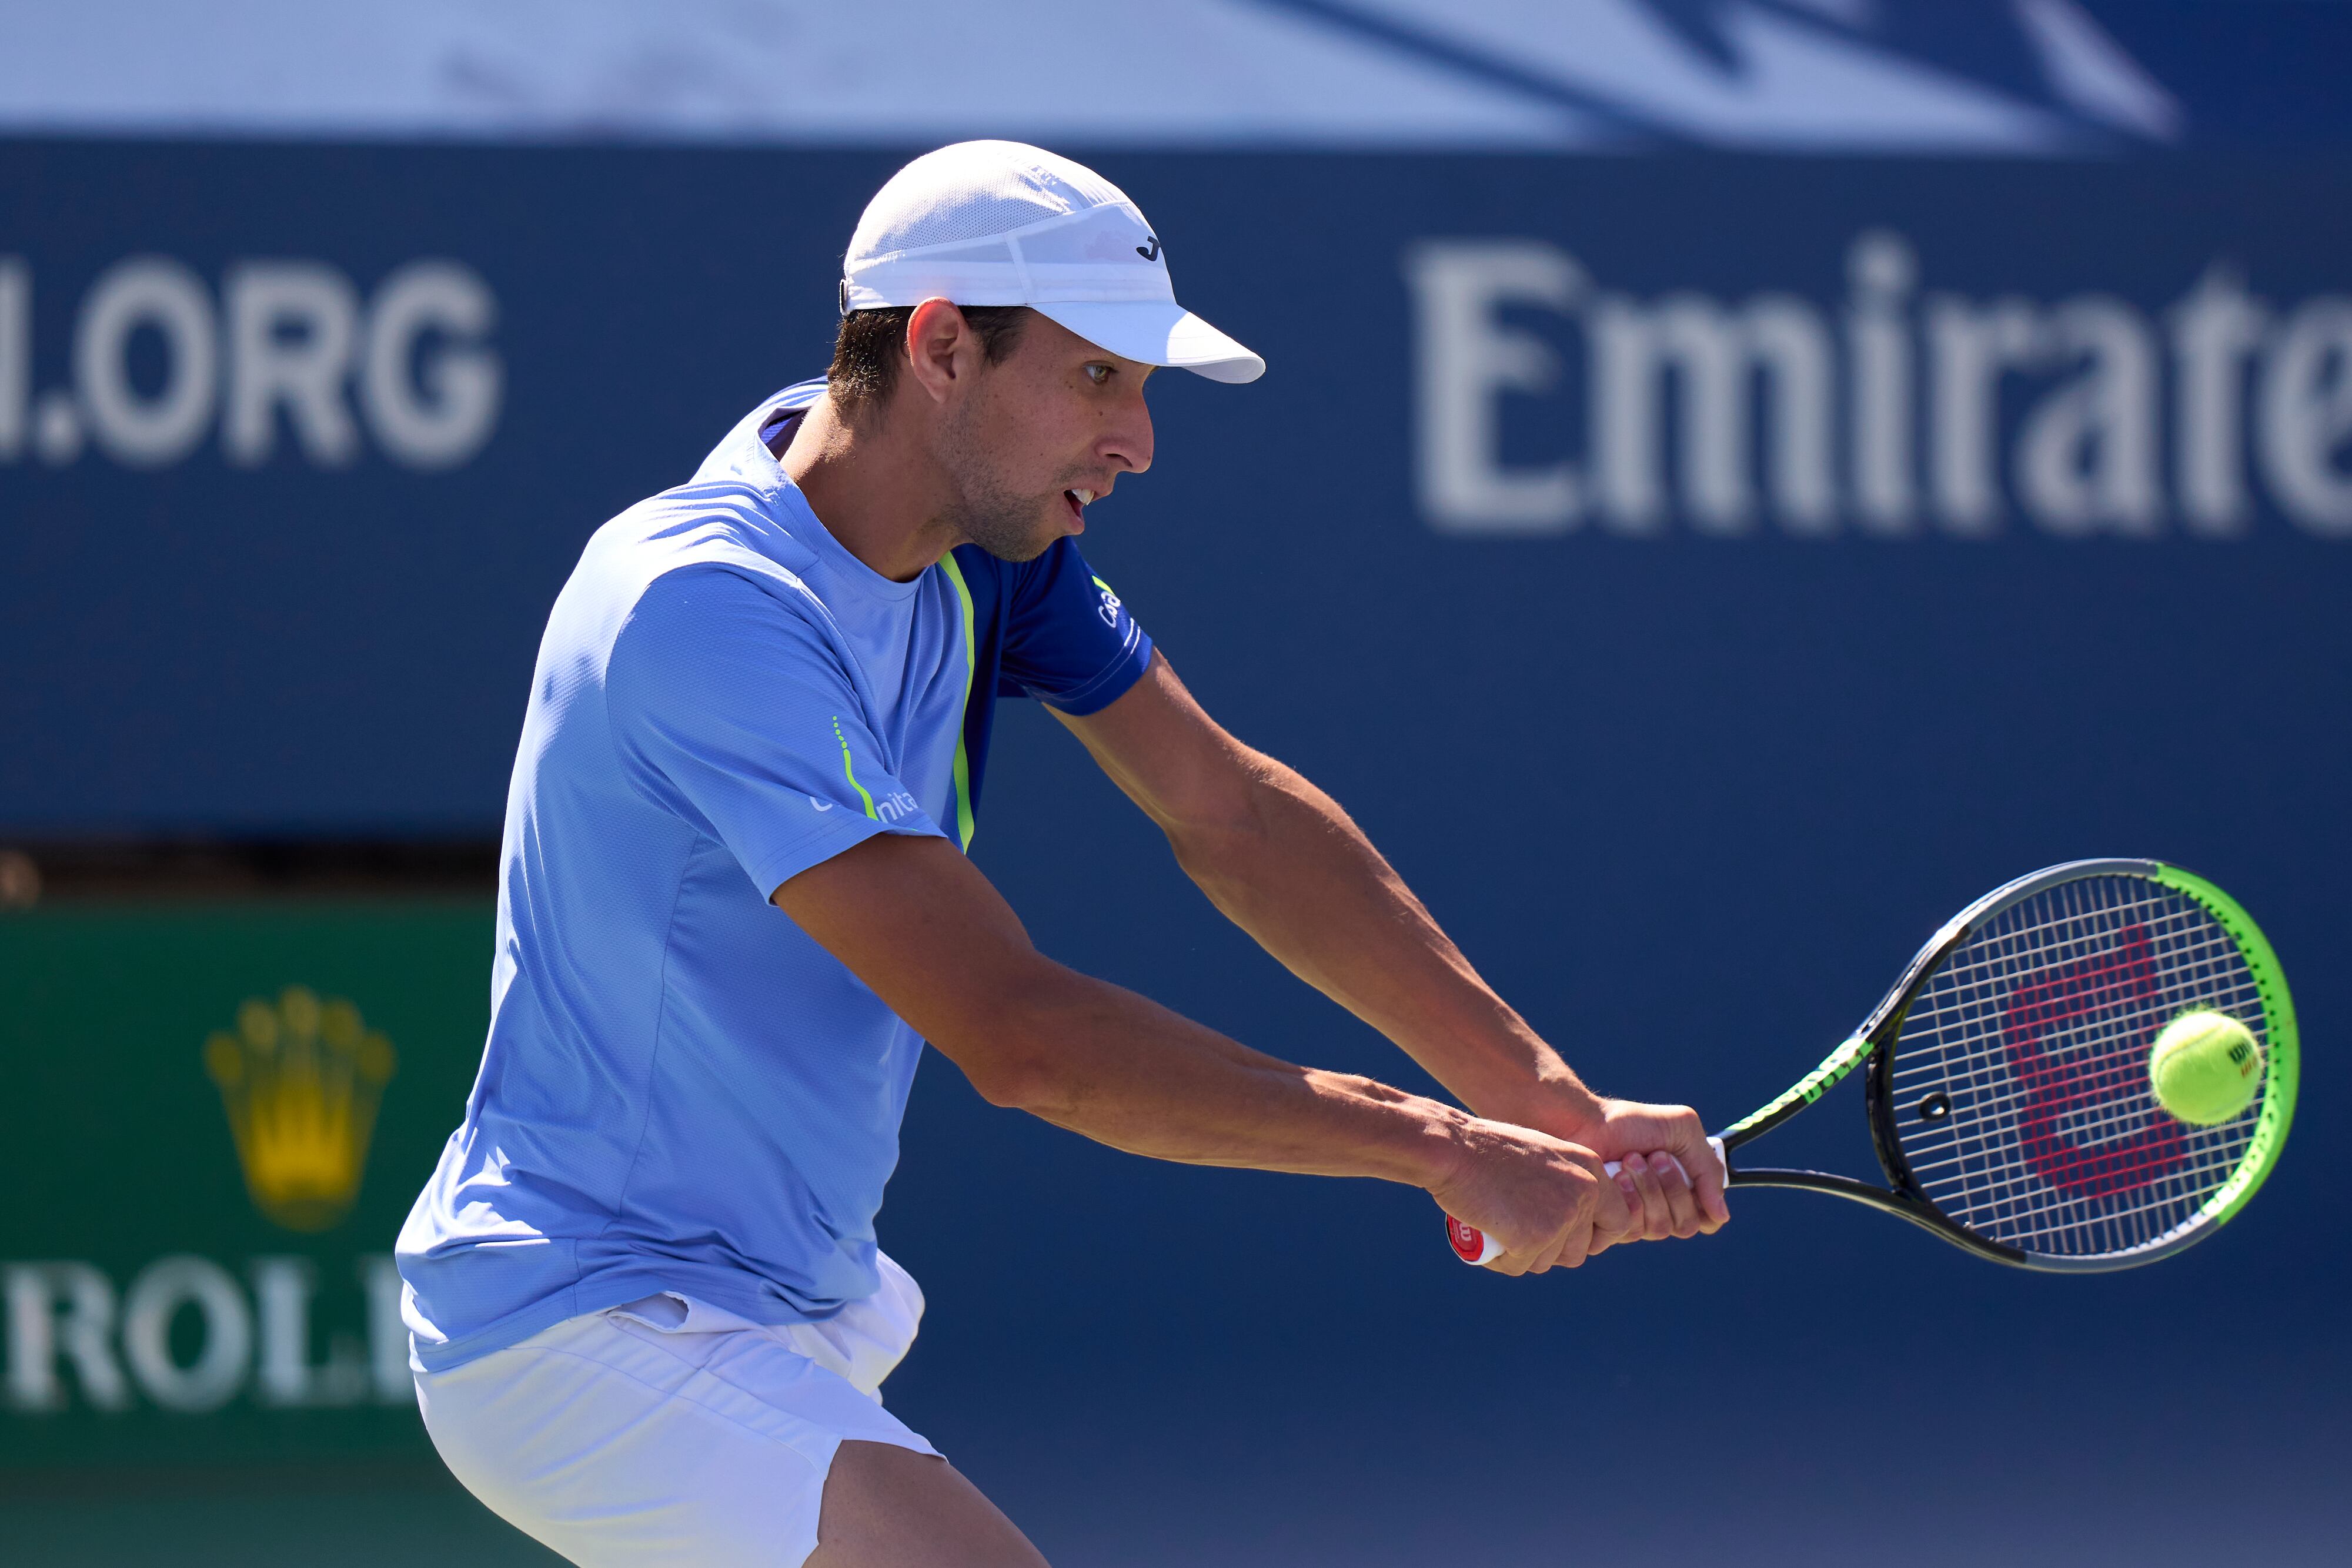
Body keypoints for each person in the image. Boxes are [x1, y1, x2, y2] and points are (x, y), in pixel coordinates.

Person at [396, 140, 1728, 1568]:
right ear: (941, 347)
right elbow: (1022, 1037)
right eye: (1099, 377)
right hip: (589, 1318)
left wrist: (1543, 1101)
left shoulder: (985, 553)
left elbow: (1234, 818)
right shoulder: (701, 609)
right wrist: (1444, 1151)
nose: (1139, 439)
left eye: (1142, 388)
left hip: (790, 1309)